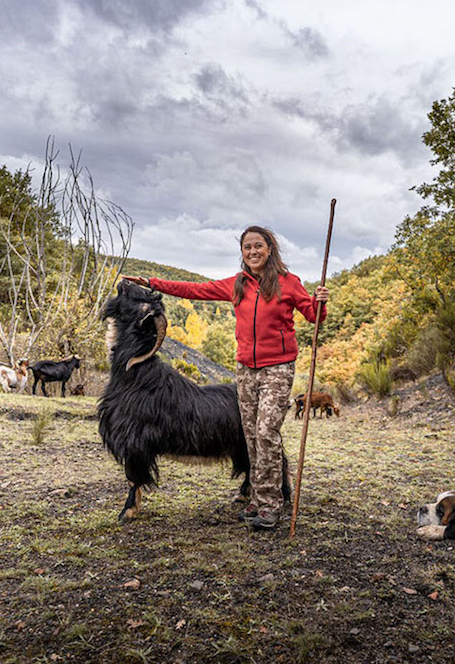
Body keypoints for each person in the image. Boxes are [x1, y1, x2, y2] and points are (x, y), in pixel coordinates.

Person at [121, 225, 329, 530]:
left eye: (259, 245)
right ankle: (256, 498)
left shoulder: (287, 283)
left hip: (278, 368)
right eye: (247, 247)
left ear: (270, 249)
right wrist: (153, 282)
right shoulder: (237, 285)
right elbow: (194, 290)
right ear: (242, 253)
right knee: (251, 436)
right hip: (246, 369)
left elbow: (314, 316)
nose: (253, 251)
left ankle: (271, 504)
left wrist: (320, 301)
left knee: (267, 431)